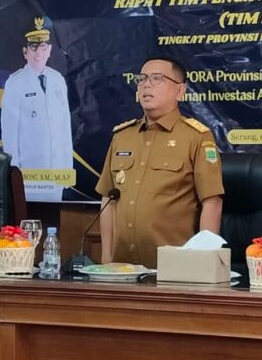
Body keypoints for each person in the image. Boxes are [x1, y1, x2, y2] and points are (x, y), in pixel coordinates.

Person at [96, 56, 224, 267]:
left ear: (180, 91)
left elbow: (212, 203)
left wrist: (203, 266)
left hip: (175, 270)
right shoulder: (122, 136)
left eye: (157, 78)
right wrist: (106, 259)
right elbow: (107, 201)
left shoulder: (196, 137)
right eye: (142, 79)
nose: (146, 84)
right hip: (121, 269)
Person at [0, 17, 73, 201]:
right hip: (30, 177)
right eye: (33, 47)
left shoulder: (57, 80)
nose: (38, 53)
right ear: (25, 52)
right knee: (28, 225)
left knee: (54, 227)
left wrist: (66, 169)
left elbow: (65, 128)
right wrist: (14, 175)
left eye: (43, 47)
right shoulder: (15, 83)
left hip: (56, 174)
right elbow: (9, 135)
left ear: (49, 50)